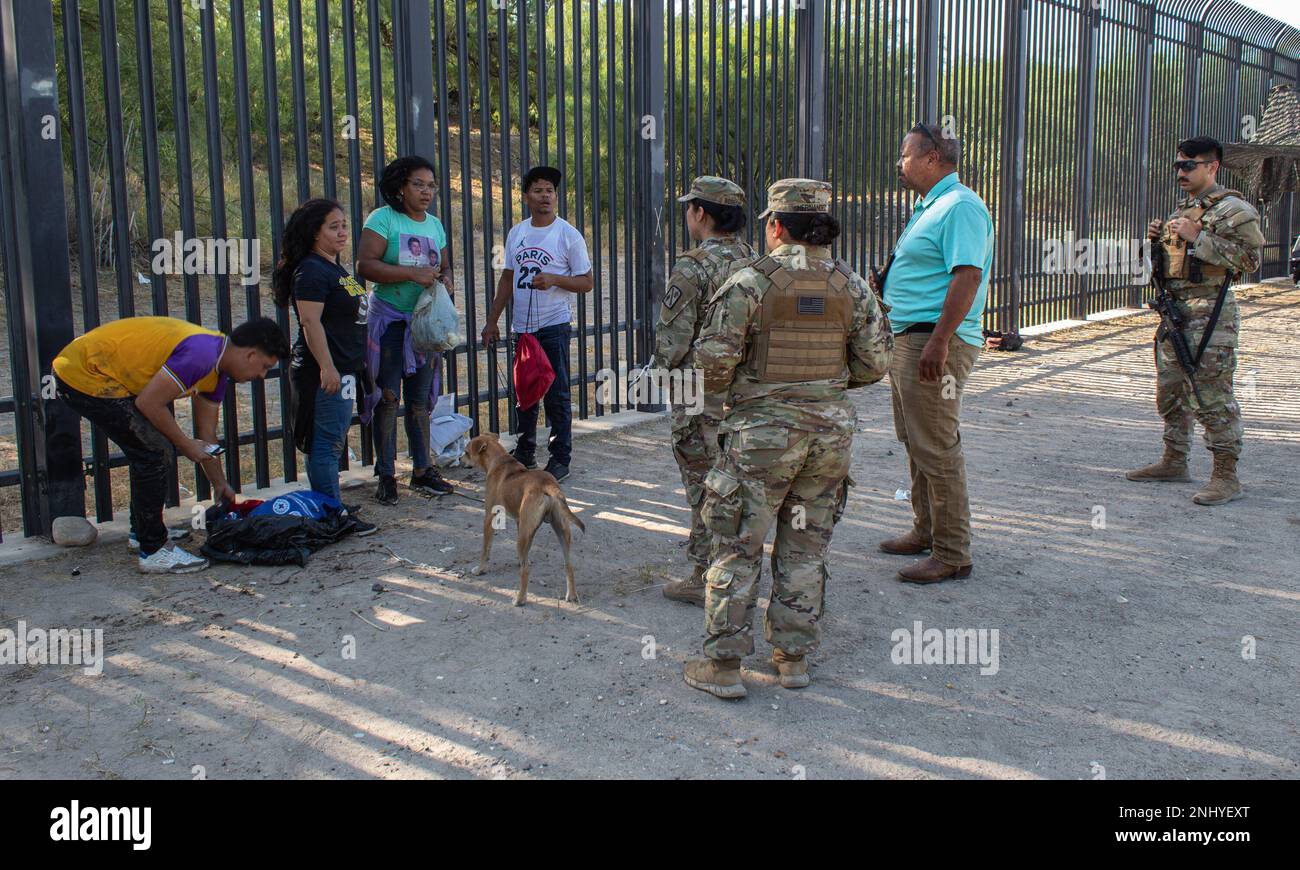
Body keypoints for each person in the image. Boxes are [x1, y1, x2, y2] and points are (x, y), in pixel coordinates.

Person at [681, 178, 893, 700]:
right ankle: (793, 659)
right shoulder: (852, 285)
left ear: (776, 226)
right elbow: (875, 365)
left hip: (761, 438)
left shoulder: (751, 281)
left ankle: (726, 667)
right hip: (829, 440)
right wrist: (823, 390)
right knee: (804, 548)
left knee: (736, 545)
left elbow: (709, 367)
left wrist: (753, 393)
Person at [53, 316, 288, 573]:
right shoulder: (202, 355)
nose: (262, 375)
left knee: (151, 449)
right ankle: (152, 550)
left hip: (106, 375)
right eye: (264, 366)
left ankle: (141, 533)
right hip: (83, 372)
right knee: (153, 451)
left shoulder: (217, 372)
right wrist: (185, 445)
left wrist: (220, 483)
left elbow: (207, 434)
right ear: (250, 354)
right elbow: (149, 403)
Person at [875, 123, 992, 585]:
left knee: (937, 446)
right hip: (911, 337)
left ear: (932, 157)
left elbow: (967, 276)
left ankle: (953, 552)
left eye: (905, 155)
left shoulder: (960, 206)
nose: (899, 164)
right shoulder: (932, 205)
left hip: (933, 340)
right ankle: (926, 529)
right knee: (916, 440)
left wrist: (941, 340)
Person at [1126, 136, 1263, 505]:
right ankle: (1174, 460)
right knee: (1170, 391)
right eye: (1177, 165)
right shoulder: (1180, 212)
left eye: (1189, 165)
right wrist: (1155, 242)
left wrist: (1199, 237)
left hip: (1212, 315)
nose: (1180, 172)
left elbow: (1250, 260)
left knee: (1211, 395)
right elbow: (1170, 268)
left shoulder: (1234, 210)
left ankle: (1225, 475)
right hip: (1176, 313)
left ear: (1212, 167)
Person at [653, 176, 756, 606]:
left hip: (699, 393)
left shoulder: (692, 266)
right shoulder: (756, 261)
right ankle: (737, 566)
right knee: (736, 481)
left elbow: (674, 340)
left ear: (701, 213)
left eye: (690, 207)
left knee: (702, 483)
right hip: (744, 392)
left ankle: (704, 575)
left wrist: (659, 376)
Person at [481, 165, 594, 482]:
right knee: (525, 392)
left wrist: (555, 279)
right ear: (526, 196)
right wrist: (492, 321)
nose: (545, 196)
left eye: (550, 191)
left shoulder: (567, 235)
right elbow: (506, 279)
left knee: (556, 393)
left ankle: (560, 457)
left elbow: (587, 282)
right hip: (522, 327)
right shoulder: (517, 233)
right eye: (539, 190)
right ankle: (525, 449)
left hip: (553, 325)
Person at [272, 198, 376, 535]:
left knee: (332, 439)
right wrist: (327, 367)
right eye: (334, 227)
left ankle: (329, 505)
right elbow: (309, 322)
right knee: (326, 443)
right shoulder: (313, 270)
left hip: (344, 368)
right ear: (314, 233)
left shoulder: (333, 267)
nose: (343, 232)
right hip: (325, 372)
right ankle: (331, 514)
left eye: (344, 225)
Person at [356, 155, 455, 504]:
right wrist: (413, 274)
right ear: (400, 187)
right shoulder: (383, 219)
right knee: (387, 398)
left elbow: (445, 266)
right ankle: (386, 474)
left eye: (431, 185)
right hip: (391, 322)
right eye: (418, 184)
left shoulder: (435, 225)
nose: (426, 192)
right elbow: (366, 265)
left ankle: (422, 471)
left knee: (419, 401)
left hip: (424, 327)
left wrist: (445, 280)